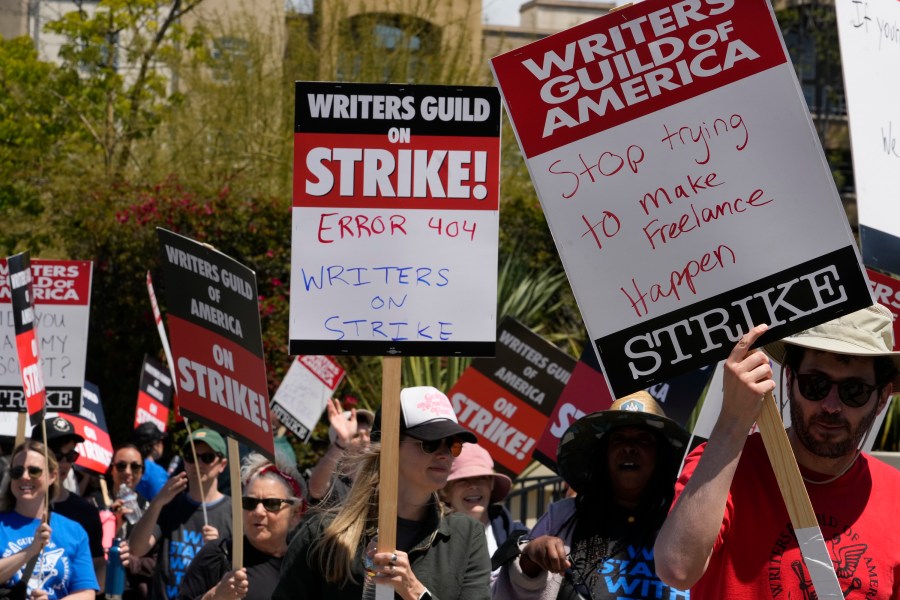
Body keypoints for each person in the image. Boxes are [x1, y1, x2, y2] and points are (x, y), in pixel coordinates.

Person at [654, 304, 900, 598]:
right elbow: (676, 569)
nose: (832, 406)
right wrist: (732, 420)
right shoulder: (724, 466)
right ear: (790, 380)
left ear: (882, 397)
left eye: (854, 391)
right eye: (816, 384)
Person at [273, 385, 492, 600]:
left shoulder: (467, 535)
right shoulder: (324, 534)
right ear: (388, 447)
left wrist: (414, 591)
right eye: (431, 443)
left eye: (453, 445)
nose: (445, 454)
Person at [494, 391, 691, 600]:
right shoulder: (564, 516)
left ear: (662, 457)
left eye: (643, 440)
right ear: (602, 456)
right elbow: (503, 591)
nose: (629, 448)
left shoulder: (688, 520)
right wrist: (531, 557)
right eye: (618, 440)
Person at [176, 454, 304, 600]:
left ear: (295, 513)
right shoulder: (218, 555)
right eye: (249, 502)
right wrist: (215, 596)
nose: (258, 512)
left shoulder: (304, 566)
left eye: (272, 503)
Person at [128, 428, 233, 600]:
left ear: (222, 464)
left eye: (207, 457)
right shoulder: (170, 505)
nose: (198, 464)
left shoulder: (234, 512)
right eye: (191, 457)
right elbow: (136, 549)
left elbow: (241, 575)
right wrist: (157, 502)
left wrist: (217, 549)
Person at [0, 440, 98, 599]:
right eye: (17, 471)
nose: (24, 477)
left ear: (53, 476)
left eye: (34, 471)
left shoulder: (74, 531)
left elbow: (86, 593)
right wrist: (30, 551)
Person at [33, 416, 106, 594]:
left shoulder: (86, 512)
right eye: (57, 455)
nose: (64, 463)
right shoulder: (13, 508)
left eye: (71, 456)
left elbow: (96, 575)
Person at [440, 443, 524, 582]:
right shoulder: (430, 539)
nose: (473, 486)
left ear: (491, 485)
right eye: (462, 480)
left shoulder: (518, 536)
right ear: (445, 492)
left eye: (482, 478)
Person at [305, 399, 374, 505]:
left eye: (368, 433)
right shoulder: (330, 478)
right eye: (356, 436)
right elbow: (316, 489)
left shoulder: (374, 482)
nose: (365, 440)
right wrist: (341, 442)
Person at [132, 423, 169, 501]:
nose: (163, 444)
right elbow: (163, 503)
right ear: (155, 445)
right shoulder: (156, 471)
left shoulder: (129, 466)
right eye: (161, 440)